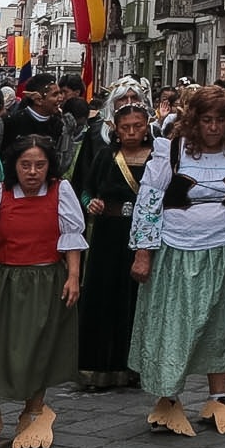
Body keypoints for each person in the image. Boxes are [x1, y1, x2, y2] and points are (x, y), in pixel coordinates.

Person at [128, 85, 225, 436]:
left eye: (220, 120)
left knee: (222, 322)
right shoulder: (170, 151)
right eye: (206, 119)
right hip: (176, 250)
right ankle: (168, 398)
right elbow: (149, 202)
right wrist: (143, 253)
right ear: (194, 121)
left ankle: (219, 398)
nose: (213, 127)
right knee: (173, 323)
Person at [0, 136, 84, 448]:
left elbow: (71, 237)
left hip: (46, 279)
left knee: (39, 344)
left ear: (50, 166)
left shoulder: (61, 192)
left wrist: (73, 276)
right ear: (14, 166)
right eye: (25, 165)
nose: (32, 172)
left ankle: (33, 410)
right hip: (3, 279)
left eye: (39, 165)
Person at [75, 100, 163, 391]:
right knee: (104, 295)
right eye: (125, 127)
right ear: (115, 128)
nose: (132, 132)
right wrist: (93, 204)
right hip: (107, 235)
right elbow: (86, 191)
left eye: (137, 126)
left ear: (147, 125)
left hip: (145, 236)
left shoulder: (158, 158)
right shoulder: (105, 156)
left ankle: (136, 365)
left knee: (139, 299)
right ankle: (99, 366)